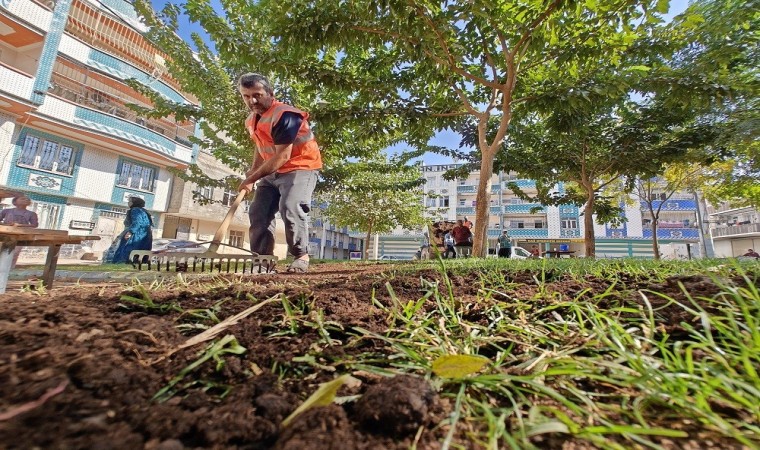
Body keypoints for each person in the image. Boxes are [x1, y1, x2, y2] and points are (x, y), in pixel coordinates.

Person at [237, 73, 322, 273]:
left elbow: (283, 156)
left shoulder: (285, 115)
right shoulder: (251, 120)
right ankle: (262, 261)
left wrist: (252, 178)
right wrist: (253, 171)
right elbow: (260, 146)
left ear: (270, 93)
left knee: (291, 206)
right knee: (259, 211)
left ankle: (301, 256)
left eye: (257, 94)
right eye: (246, 96)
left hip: (300, 167)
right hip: (272, 171)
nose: (252, 100)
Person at [105, 197, 153, 264]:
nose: (128, 203)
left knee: (126, 251)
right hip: (145, 235)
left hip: (137, 234)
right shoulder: (144, 211)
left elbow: (137, 222)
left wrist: (130, 232)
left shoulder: (135, 210)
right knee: (140, 254)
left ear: (135, 203)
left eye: (130, 201)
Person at [0, 195, 39, 268]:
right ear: (15, 202)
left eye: (27, 199)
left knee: (14, 253)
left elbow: (34, 225)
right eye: (22, 198)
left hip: (20, 236)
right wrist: (7, 224)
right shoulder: (6, 211)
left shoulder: (31, 214)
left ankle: (9, 269)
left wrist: (20, 225)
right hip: (4, 235)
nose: (26, 199)